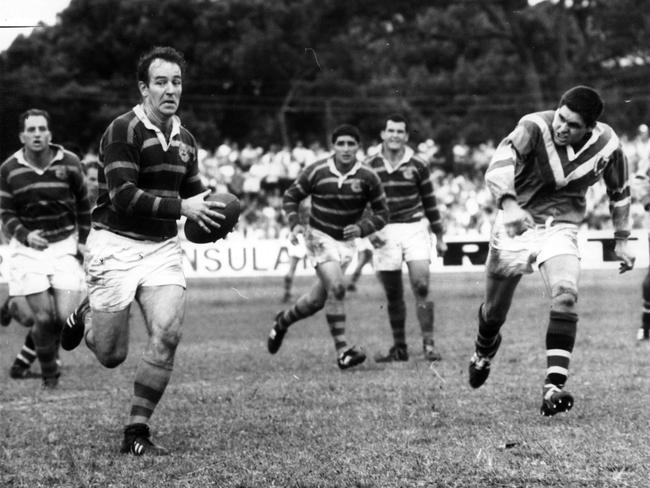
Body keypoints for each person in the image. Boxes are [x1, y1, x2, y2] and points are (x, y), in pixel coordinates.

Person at [60, 46, 226, 456]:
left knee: (167, 333)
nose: (171, 90)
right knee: (111, 355)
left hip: (162, 248)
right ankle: (86, 314)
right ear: (144, 87)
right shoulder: (123, 130)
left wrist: (215, 210)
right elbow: (123, 195)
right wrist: (183, 207)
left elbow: (190, 190)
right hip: (114, 245)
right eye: (161, 82)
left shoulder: (185, 140)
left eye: (177, 81)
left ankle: (136, 430)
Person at [468, 86, 635, 416]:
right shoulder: (533, 126)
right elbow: (500, 161)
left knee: (566, 294)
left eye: (572, 125)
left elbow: (620, 189)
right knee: (494, 313)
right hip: (515, 222)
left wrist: (622, 238)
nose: (562, 127)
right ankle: (484, 349)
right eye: (561, 118)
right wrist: (510, 204)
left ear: (589, 128)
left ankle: (553, 388)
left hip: (559, 226)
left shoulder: (607, 144)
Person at [267, 124, 388, 369]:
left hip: (346, 243)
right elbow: (291, 196)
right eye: (340, 144)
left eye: (350, 144)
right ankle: (343, 352)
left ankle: (282, 322)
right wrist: (295, 224)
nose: (345, 149)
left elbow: (383, 213)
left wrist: (363, 229)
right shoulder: (317, 170)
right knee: (338, 287)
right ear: (333, 146)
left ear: (358, 147)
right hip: (318, 236)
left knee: (315, 301)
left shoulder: (368, 176)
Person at [0, 108, 92, 387]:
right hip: (28, 249)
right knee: (43, 317)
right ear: (22, 136)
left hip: (64, 244)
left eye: (42, 129)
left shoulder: (71, 163)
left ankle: (12, 308)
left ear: (50, 134)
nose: (37, 134)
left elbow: (84, 206)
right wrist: (27, 235)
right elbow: (6, 213)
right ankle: (50, 374)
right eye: (31, 130)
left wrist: (83, 241)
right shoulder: (8, 169)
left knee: (64, 318)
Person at [365, 114, 448, 362]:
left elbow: (430, 202)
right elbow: (362, 203)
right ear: (383, 134)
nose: (395, 135)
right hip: (384, 229)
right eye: (391, 130)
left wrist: (440, 236)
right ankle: (399, 347)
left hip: (414, 227)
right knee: (393, 293)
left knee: (421, 285)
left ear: (406, 136)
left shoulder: (418, 164)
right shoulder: (370, 165)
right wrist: (371, 231)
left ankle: (429, 345)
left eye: (400, 131)